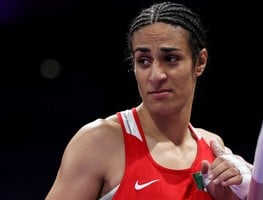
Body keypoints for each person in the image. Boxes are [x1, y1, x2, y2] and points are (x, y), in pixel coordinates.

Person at [45, 2, 252, 200]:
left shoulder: (213, 147)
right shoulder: (98, 142)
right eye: (143, 61)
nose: (156, 75)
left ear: (200, 62)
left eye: (171, 58)